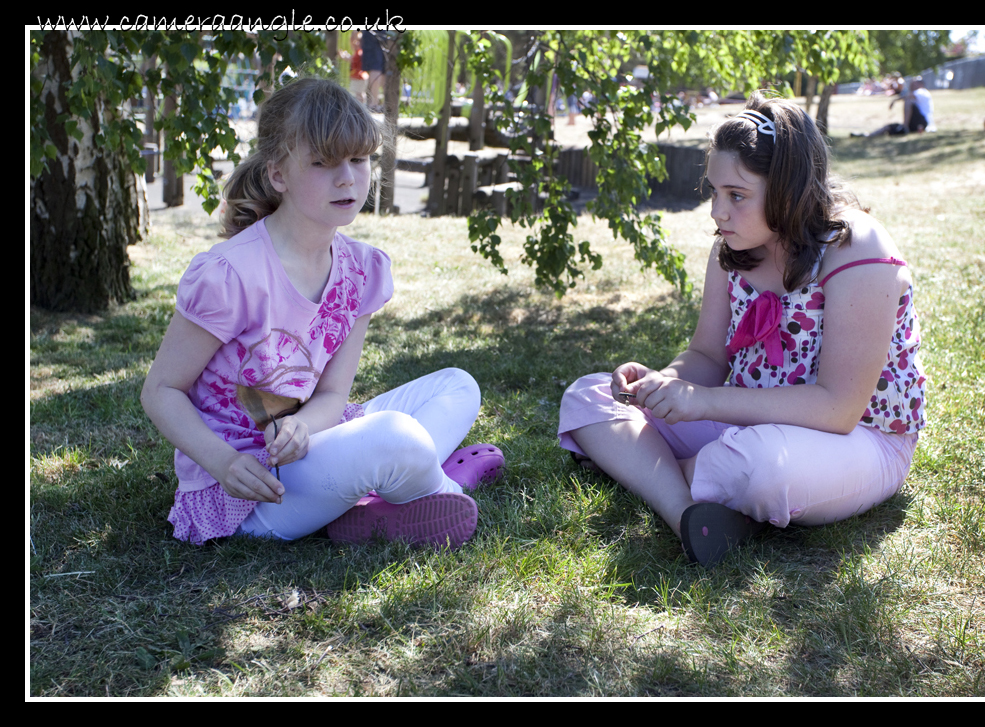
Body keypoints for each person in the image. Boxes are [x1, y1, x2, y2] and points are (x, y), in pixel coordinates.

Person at [558, 92, 926, 566]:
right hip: (748, 419)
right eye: (714, 191)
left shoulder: (855, 245)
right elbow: (708, 358)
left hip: (862, 441)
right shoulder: (732, 249)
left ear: (788, 189)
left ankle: (638, 467)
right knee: (588, 397)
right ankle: (686, 512)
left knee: (759, 465)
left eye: (737, 195)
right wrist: (664, 382)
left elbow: (839, 408)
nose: (718, 212)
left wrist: (703, 402)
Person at [140, 77, 504, 549]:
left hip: (312, 443)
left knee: (458, 386)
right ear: (278, 175)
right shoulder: (231, 276)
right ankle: (442, 490)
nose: (347, 178)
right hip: (255, 491)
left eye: (358, 159)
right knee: (396, 437)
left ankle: (381, 501)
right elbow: (161, 390)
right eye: (322, 163)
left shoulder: (362, 270)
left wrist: (301, 426)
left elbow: (333, 395)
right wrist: (223, 463)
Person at [853, 76, 934, 137]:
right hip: (914, 123)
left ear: (920, 84)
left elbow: (908, 96)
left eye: (914, 83)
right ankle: (868, 135)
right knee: (888, 127)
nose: (911, 85)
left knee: (908, 101)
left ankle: (905, 127)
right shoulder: (918, 93)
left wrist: (894, 100)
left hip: (922, 122)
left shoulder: (922, 92)